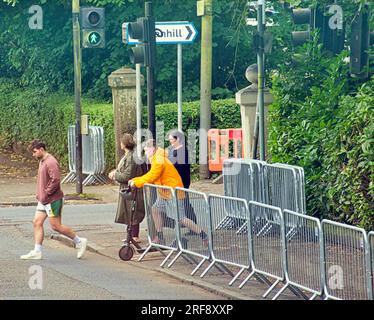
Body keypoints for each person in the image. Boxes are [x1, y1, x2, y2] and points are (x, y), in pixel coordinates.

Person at [128, 139, 208, 246]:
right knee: (155, 209)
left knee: (181, 218)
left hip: (172, 192)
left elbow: (152, 175)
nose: (145, 153)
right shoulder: (157, 158)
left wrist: (136, 182)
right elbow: (152, 175)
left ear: (152, 149)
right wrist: (135, 180)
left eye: (146, 151)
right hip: (165, 191)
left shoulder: (158, 159)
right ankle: (160, 236)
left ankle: (203, 235)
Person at [20, 140, 87, 260]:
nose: (33, 155)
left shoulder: (51, 162)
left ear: (41, 149)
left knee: (56, 226)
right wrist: (41, 195)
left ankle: (79, 241)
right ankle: (37, 251)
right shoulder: (42, 161)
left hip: (52, 200)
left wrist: (46, 193)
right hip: (44, 200)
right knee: (37, 222)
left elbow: (55, 180)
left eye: (35, 152)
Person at [108, 133, 146, 243]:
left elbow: (127, 175)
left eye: (121, 142)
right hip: (128, 187)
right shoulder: (129, 155)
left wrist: (115, 176)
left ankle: (134, 236)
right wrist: (116, 172)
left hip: (132, 188)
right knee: (128, 211)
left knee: (132, 211)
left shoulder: (131, 157)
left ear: (124, 144)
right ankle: (130, 235)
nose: (120, 144)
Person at [167, 130, 198, 228]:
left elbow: (179, 166)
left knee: (185, 203)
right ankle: (188, 223)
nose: (170, 142)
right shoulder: (174, 150)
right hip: (177, 181)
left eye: (172, 139)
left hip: (182, 181)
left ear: (178, 139)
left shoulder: (183, 151)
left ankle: (192, 224)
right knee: (183, 203)